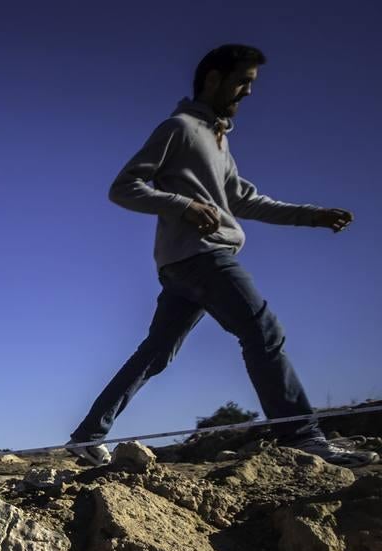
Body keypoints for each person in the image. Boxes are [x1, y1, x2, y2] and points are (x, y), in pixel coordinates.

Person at [67, 44, 376, 468]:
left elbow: (244, 200)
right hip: (202, 256)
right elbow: (123, 187)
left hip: (180, 265)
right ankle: (303, 436)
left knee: (156, 353)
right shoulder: (178, 128)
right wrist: (184, 205)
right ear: (213, 79)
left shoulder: (217, 141)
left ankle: (86, 437)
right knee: (263, 331)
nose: (247, 92)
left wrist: (313, 216)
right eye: (242, 81)